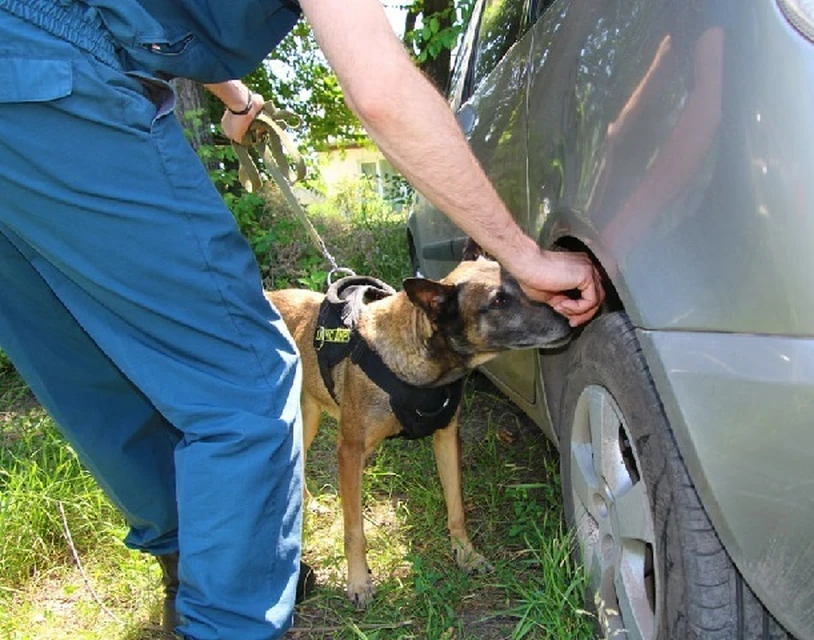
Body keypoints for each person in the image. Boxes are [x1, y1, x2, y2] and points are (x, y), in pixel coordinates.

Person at [0, 0, 603, 638]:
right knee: (251, 379)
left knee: (97, 374)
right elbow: (382, 93)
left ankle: (198, 571)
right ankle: (230, 614)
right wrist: (521, 254)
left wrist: (234, 99)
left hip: (35, 60)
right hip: (57, 79)